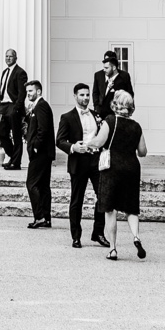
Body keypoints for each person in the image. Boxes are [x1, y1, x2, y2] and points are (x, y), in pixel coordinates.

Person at [89, 90, 147, 260]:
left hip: (112, 167)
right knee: (131, 208)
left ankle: (113, 249)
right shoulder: (136, 126)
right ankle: (136, 237)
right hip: (131, 168)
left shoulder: (110, 121)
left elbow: (99, 142)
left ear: (115, 104)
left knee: (109, 209)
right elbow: (142, 151)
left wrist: (87, 142)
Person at [55, 82, 106, 248]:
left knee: (103, 197)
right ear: (75, 96)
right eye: (82, 95)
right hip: (78, 161)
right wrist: (73, 147)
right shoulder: (67, 117)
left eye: (87, 94)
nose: (85, 98)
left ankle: (98, 233)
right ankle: (76, 236)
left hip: (96, 162)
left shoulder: (97, 115)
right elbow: (59, 141)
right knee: (77, 200)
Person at [23, 79, 55, 228]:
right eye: (27, 91)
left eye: (30, 91)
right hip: (44, 153)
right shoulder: (38, 106)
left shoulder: (41, 106)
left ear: (38, 92)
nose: (28, 94)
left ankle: (40, 216)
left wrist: (35, 146)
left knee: (31, 184)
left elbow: (43, 129)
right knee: (43, 185)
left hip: (40, 152)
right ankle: (46, 217)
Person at [0, 49, 29, 170]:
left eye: (11, 56)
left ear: (16, 58)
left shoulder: (20, 73)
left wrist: (16, 108)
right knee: (0, 132)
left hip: (13, 105)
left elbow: (22, 93)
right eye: (6, 56)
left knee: (16, 135)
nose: (8, 58)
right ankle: (12, 156)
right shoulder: (4, 72)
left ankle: (16, 163)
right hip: (3, 105)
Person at [91, 51, 135, 122]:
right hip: (101, 113)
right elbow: (95, 93)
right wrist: (97, 110)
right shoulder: (98, 75)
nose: (104, 70)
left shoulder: (123, 77)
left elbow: (130, 94)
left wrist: (128, 110)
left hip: (117, 114)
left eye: (106, 67)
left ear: (114, 66)